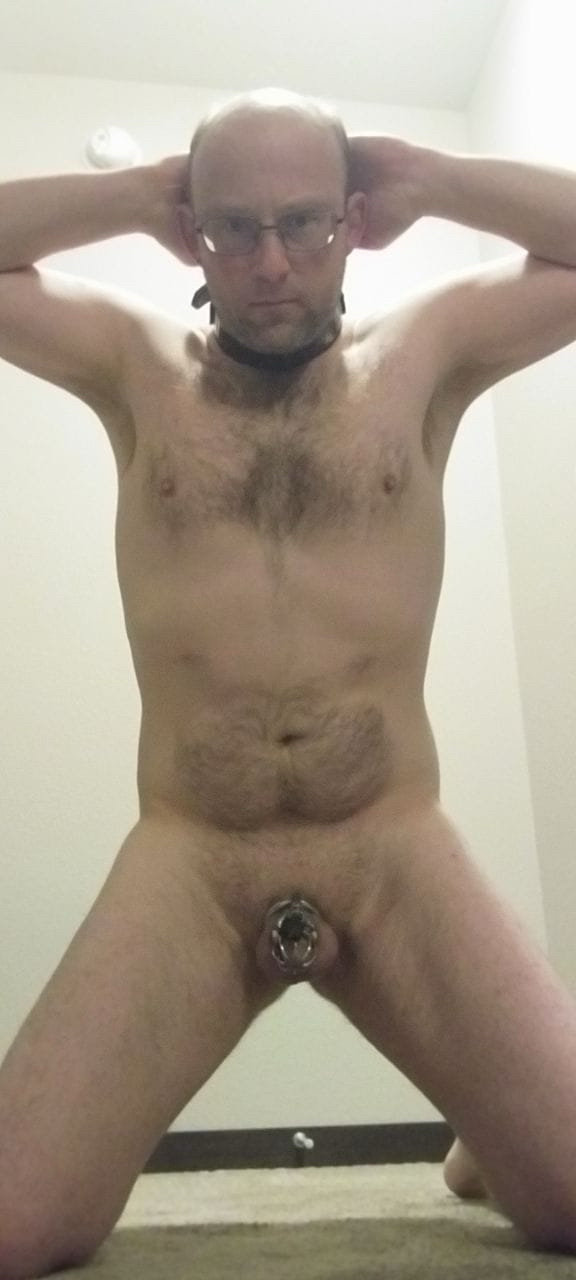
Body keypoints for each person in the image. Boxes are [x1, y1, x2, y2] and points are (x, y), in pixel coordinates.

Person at [1, 84, 576, 1276]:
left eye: (304, 222)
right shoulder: (133, 363)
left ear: (353, 222)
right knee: (13, 1225)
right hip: (193, 858)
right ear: (195, 231)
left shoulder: (426, 351)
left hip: (390, 845)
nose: (271, 262)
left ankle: (490, 1127)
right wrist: (133, 195)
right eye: (235, 226)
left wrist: (436, 177)